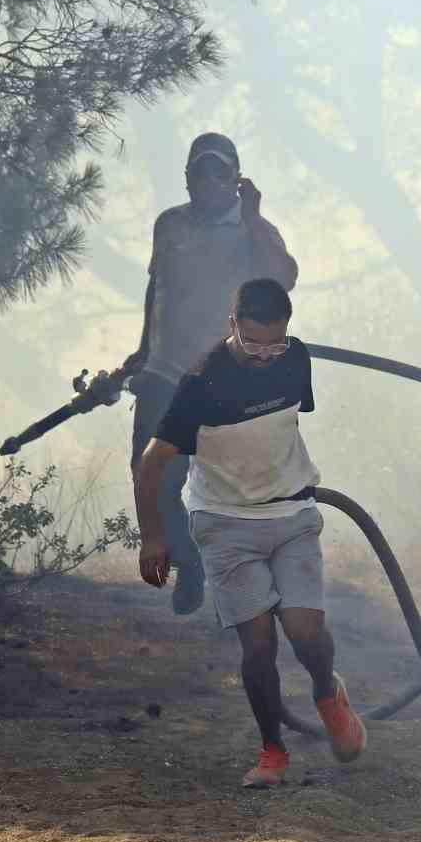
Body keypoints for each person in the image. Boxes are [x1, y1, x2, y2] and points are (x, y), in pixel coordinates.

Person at [133, 278, 365, 789]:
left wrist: (281, 481)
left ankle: (328, 695)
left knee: (305, 631)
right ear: (232, 324)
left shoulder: (296, 359)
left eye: (275, 342)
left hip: (291, 516)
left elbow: (284, 426)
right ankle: (273, 751)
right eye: (253, 342)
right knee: (258, 645)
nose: (265, 355)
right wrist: (153, 535)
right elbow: (153, 462)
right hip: (225, 525)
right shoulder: (201, 383)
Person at [124, 132, 299, 615]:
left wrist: (256, 218)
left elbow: (284, 279)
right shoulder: (170, 225)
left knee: (236, 488)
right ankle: (190, 563)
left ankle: (260, 583)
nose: (208, 180)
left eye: (219, 171)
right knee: (151, 474)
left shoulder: (253, 229)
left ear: (237, 178)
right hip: (164, 372)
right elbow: (156, 288)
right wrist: (142, 350)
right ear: (186, 178)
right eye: (199, 171)